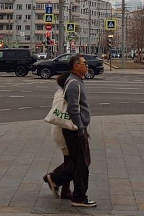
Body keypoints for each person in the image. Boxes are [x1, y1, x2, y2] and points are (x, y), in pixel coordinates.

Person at [47, 54, 96, 207]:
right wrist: (80, 128)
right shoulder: (74, 83)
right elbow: (73, 108)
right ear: (76, 66)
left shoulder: (77, 81)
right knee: (82, 164)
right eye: (84, 63)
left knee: (78, 163)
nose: (87, 66)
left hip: (75, 129)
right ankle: (78, 197)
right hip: (75, 130)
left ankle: (56, 179)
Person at [44, 72, 73, 200]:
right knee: (76, 162)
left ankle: (65, 189)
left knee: (70, 161)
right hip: (63, 132)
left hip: (63, 131)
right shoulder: (62, 95)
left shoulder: (62, 92)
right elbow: (59, 114)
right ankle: (53, 178)